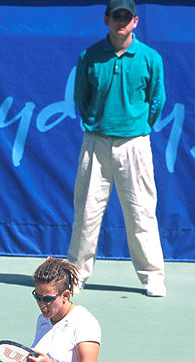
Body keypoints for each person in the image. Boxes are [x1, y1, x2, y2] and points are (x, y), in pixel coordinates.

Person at [68, 0, 167, 297]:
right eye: (116, 17)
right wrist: (97, 123)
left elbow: (156, 100)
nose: (121, 22)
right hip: (96, 143)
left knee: (141, 212)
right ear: (106, 19)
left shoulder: (150, 58)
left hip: (134, 144)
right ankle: (76, 275)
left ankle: (152, 276)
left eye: (126, 17)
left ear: (135, 22)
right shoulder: (90, 56)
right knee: (86, 212)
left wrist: (134, 126)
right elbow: (81, 98)